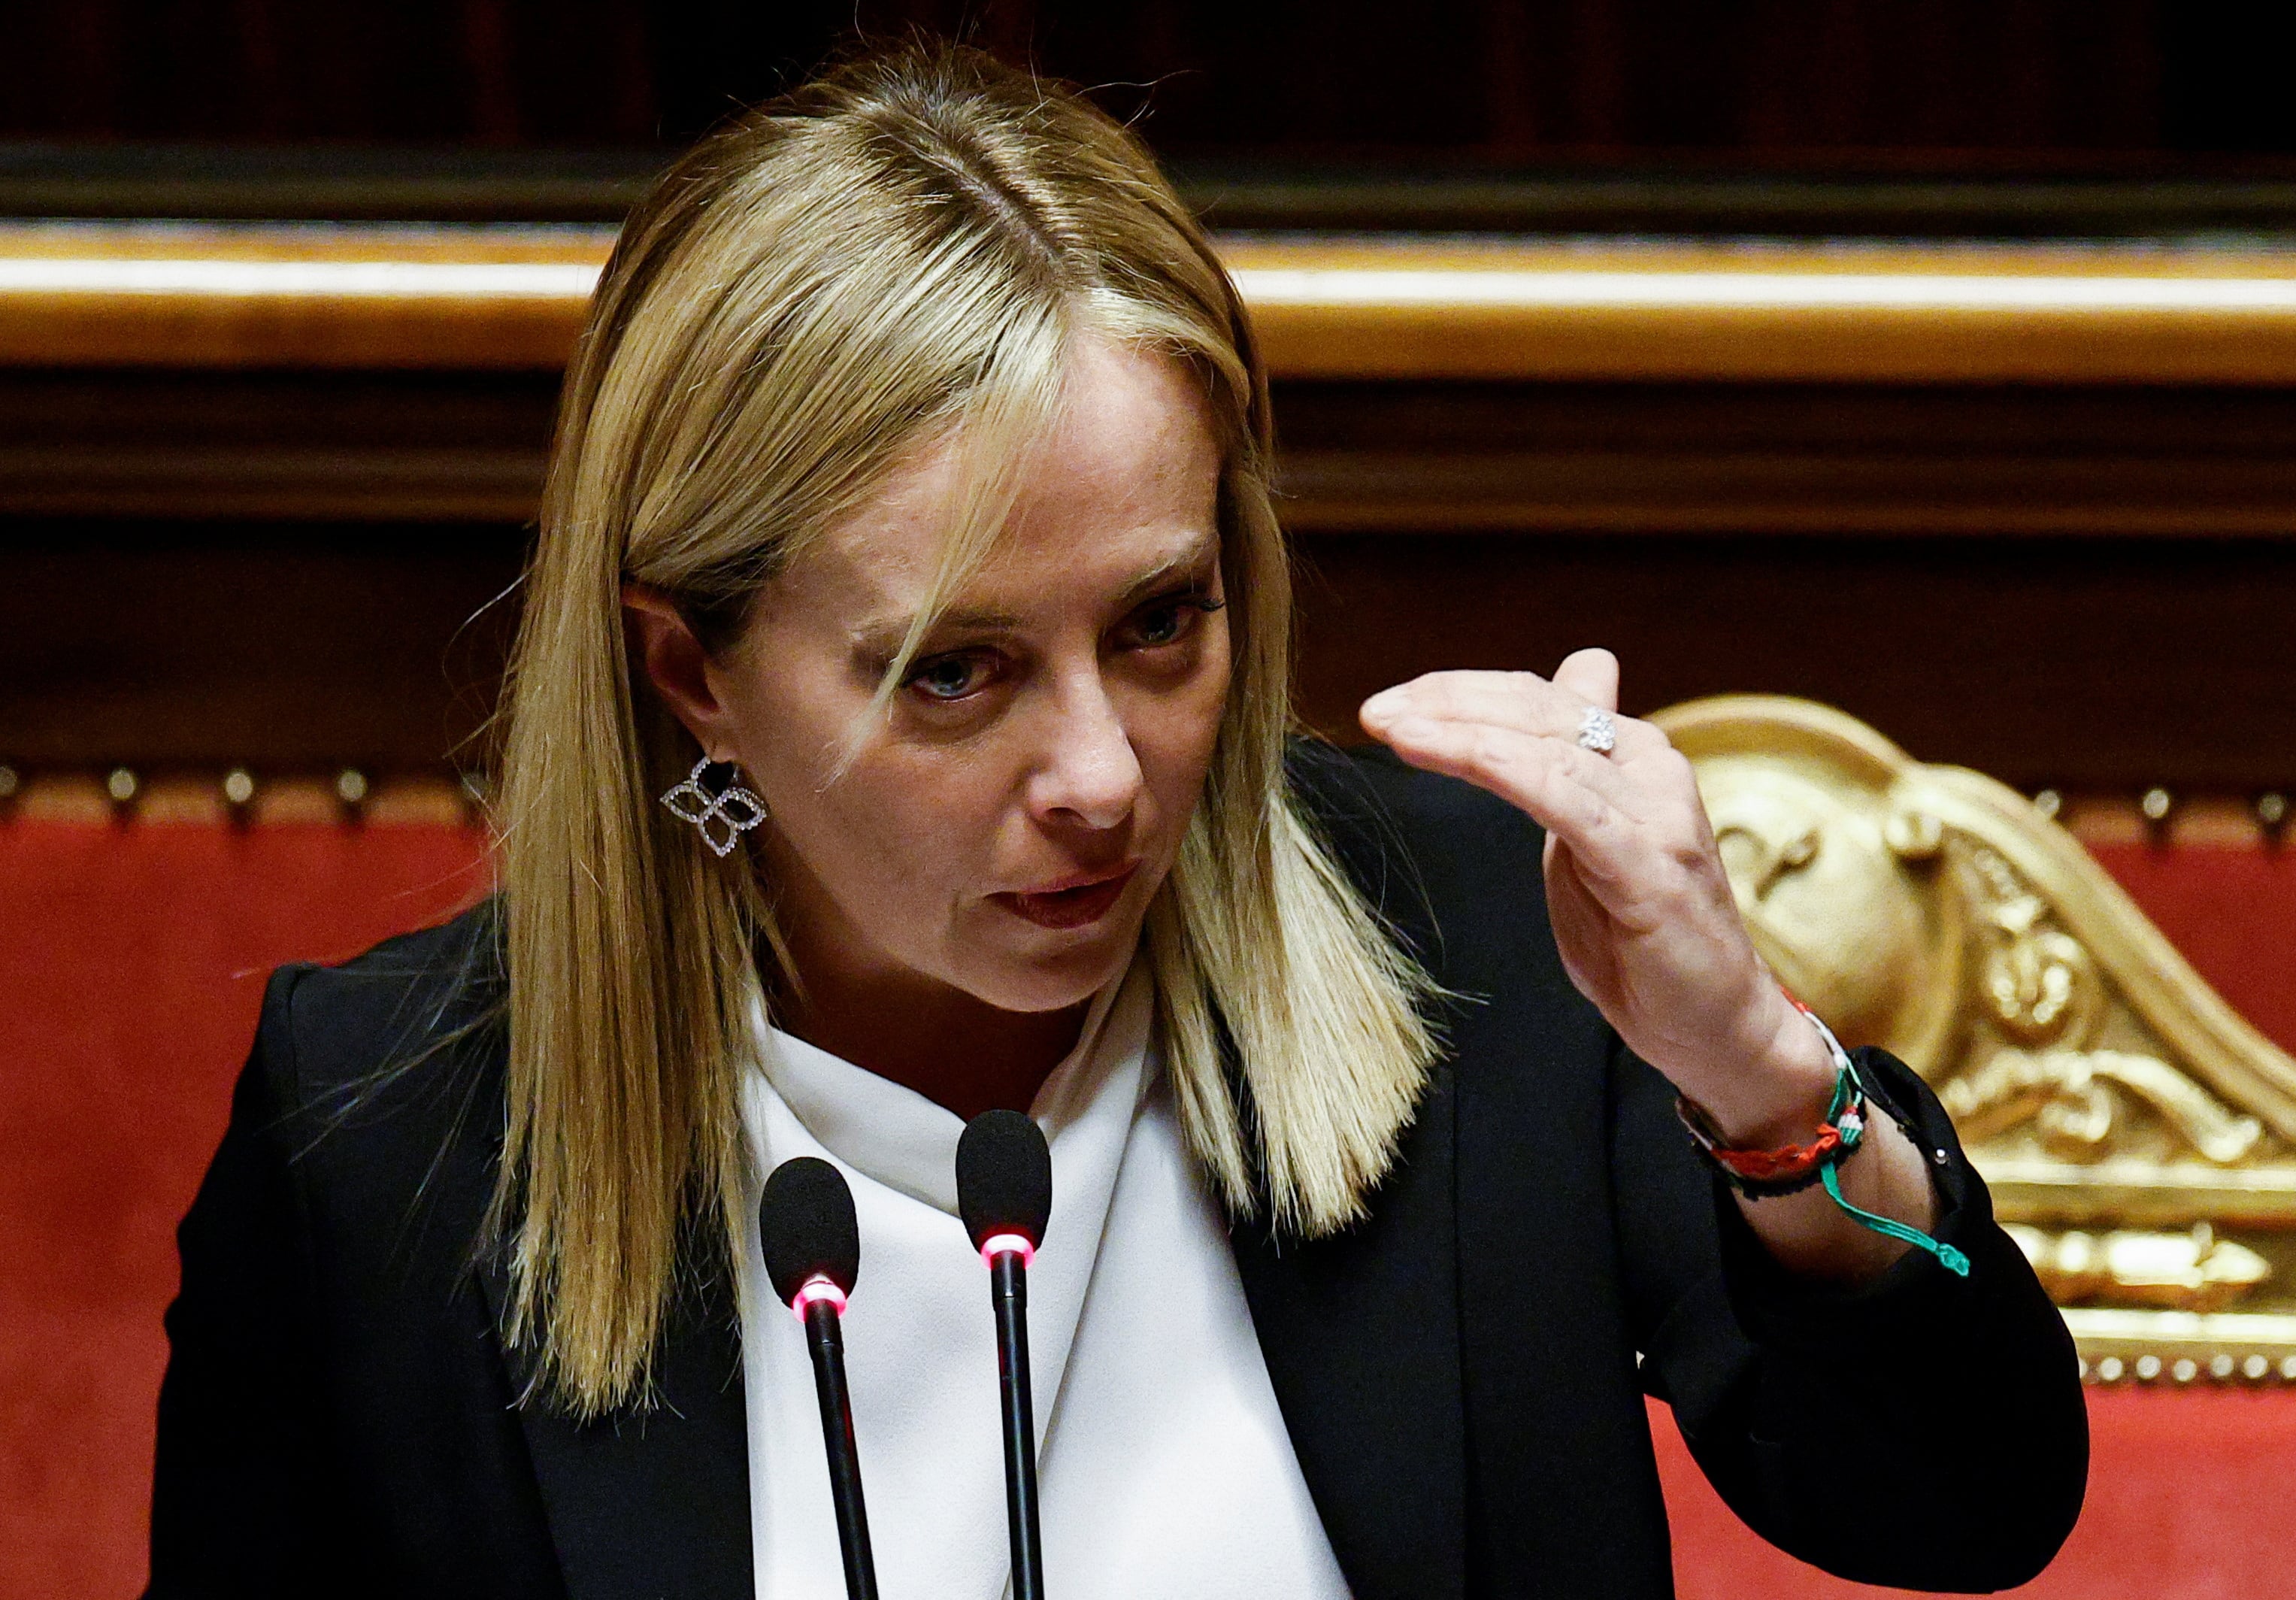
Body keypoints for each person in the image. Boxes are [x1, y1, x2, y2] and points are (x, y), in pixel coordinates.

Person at [148, 44, 2086, 1600]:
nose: (1103, 774)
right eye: (953, 671)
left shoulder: (1479, 948)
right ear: (690, 672)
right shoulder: (385, 1133)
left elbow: (1964, 1507)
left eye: (1163, 623)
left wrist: (1751, 1074)